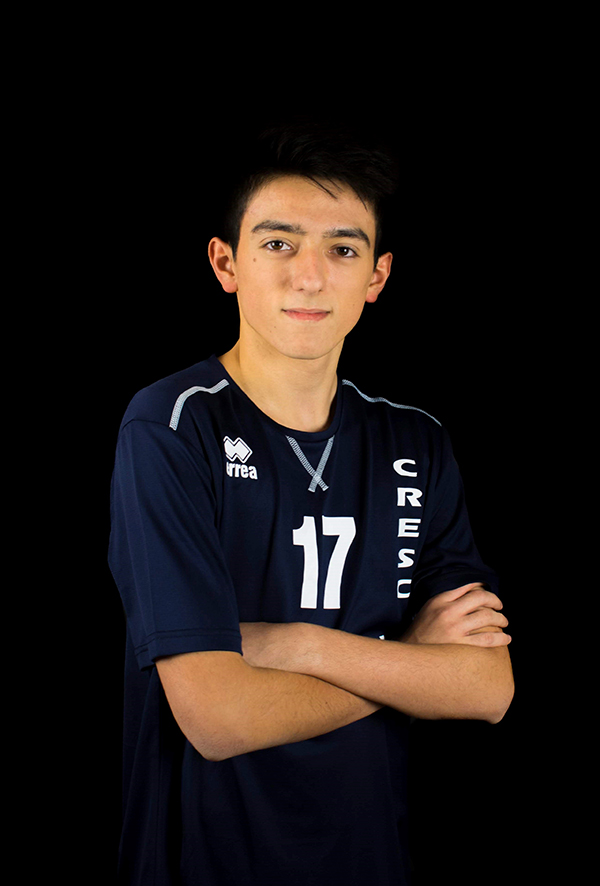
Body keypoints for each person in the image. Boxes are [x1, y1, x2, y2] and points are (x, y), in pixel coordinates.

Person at [109, 118, 514, 885]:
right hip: (203, 865)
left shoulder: (416, 442)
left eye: (343, 249)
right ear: (226, 263)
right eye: (278, 243)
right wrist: (412, 667)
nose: (310, 276)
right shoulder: (173, 426)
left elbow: (488, 688)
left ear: (378, 276)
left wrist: (301, 646)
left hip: (370, 861)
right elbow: (219, 719)